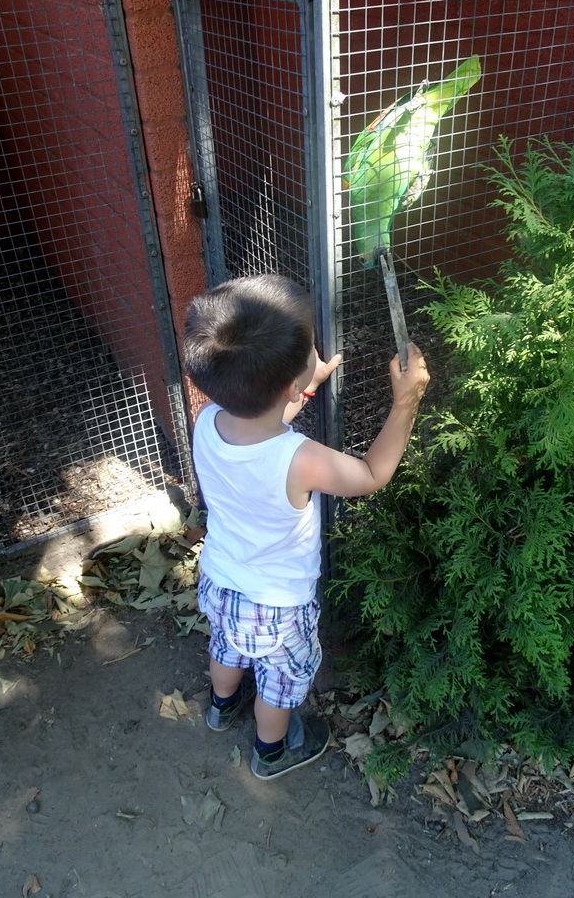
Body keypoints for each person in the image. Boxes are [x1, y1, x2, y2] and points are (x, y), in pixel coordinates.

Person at [182, 274, 430, 780]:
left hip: (221, 581)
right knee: (279, 682)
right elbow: (370, 475)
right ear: (291, 386)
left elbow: (261, 413)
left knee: (226, 647)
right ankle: (271, 752)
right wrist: (407, 401)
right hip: (277, 606)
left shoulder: (207, 418)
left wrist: (303, 383)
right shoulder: (298, 458)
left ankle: (219, 706)